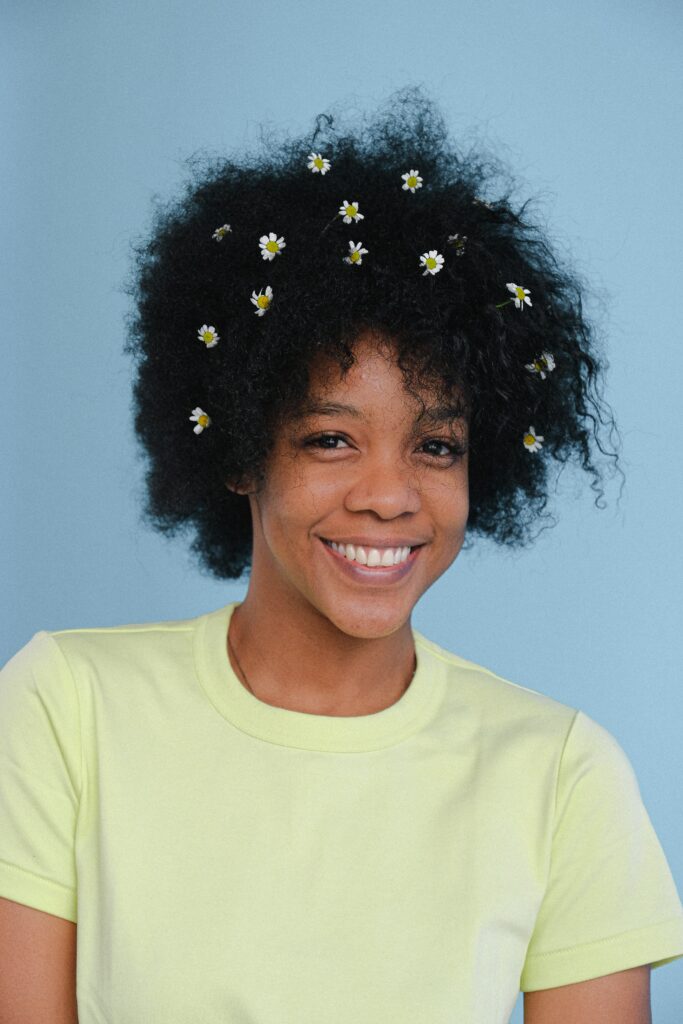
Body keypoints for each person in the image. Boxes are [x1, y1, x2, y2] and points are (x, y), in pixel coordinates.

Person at [1, 86, 682, 1024]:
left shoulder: (559, 772)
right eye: (330, 438)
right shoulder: (66, 707)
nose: (390, 493)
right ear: (241, 450)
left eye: (435, 446)